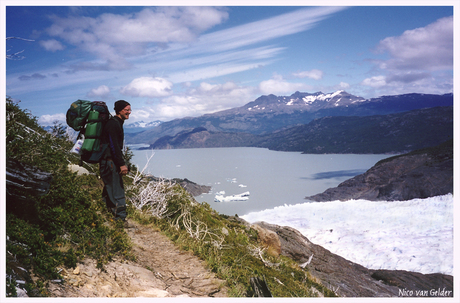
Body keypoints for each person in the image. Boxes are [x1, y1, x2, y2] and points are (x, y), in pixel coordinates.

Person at [99, 100, 131, 222]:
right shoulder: (113, 124)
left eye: (129, 110)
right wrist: (122, 164)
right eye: (126, 110)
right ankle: (120, 220)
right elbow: (114, 146)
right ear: (119, 110)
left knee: (109, 188)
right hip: (110, 162)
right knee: (117, 190)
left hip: (108, 162)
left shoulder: (117, 123)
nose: (129, 112)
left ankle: (105, 214)